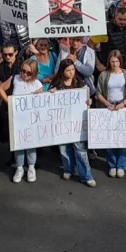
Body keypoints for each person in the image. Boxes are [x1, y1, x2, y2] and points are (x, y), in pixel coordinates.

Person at [0, 58, 46, 183]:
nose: (24, 74)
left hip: (31, 120)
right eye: (22, 71)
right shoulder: (15, 79)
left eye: (28, 72)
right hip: (17, 118)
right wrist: (9, 102)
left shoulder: (37, 84)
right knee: (18, 145)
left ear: (34, 73)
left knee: (31, 145)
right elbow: (0, 89)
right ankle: (19, 168)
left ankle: (31, 168)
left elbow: (44, 101)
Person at [50, 59, 96, 187]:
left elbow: (88, 97)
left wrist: (89, 102)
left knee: (80, 150)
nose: (71, 73)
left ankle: (86, 176)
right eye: (68, 70)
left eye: (73, 70)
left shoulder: (80, 83)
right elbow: (48, 101)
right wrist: (51, 93)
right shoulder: (56, 84)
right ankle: (68, 169)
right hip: (62, 122)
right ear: (62, 71)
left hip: (77, 124)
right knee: (64, 149)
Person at [94, 52, 126, 178]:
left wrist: (123, 103)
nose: (115, 64)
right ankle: (112, 164)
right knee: (110, 138)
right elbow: (98, 93)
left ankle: (122, 165)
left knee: (122, 137)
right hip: (109, 108)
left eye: (117, 61)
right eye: (112, 61)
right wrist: (107, 104)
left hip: (122, 107)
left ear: (120, 62)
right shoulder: (104, 75)